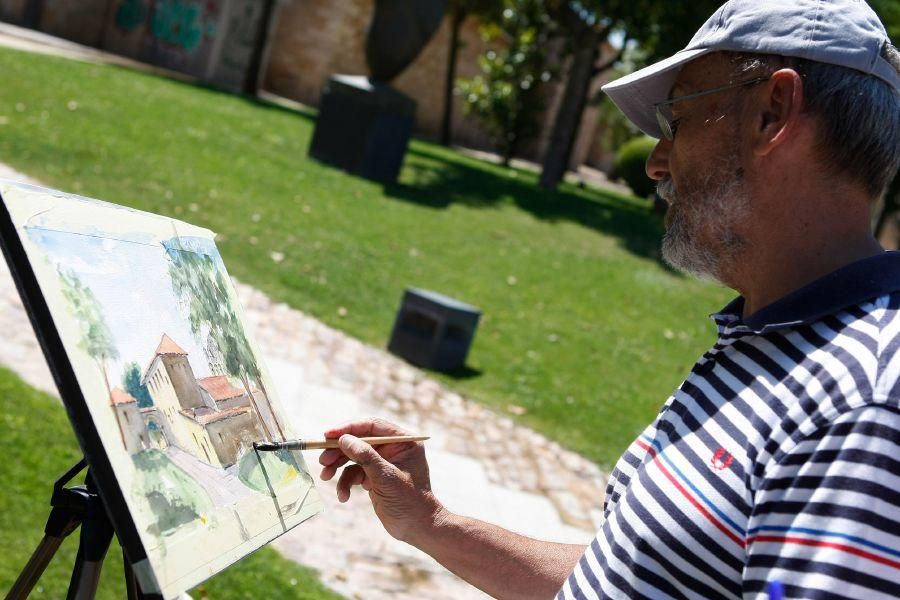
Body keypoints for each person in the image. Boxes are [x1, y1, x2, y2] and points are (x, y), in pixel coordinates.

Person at [318, 0, 900, 597]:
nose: (655, 162)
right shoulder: (771, 338)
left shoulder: (865, 404)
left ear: (772, 113)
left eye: (677, 121)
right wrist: (431, 522)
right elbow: (625, 581)